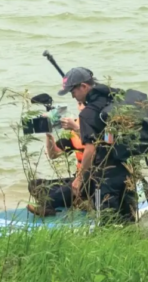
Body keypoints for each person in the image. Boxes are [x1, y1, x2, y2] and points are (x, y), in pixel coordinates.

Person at [57, 67, 136, 222]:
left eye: (73, 91)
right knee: (128, 218)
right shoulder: (112, 99)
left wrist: (79, 178)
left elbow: (90, 149)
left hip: (105, 175)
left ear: (84, 87)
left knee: (106, 220)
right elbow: (107, 136)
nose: (73, 96)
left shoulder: (88, 113)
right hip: (126, 167)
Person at [27, 105, 86, 217]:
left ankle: (47, 205)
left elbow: (92, 144)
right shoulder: (73, 130)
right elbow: (54, 154)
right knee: (35, 185)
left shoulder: (97, 127)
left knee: (55, 195)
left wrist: (76, 128)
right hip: (77, 177)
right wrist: (48, 133)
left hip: (90, 179)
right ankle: (53, 205)